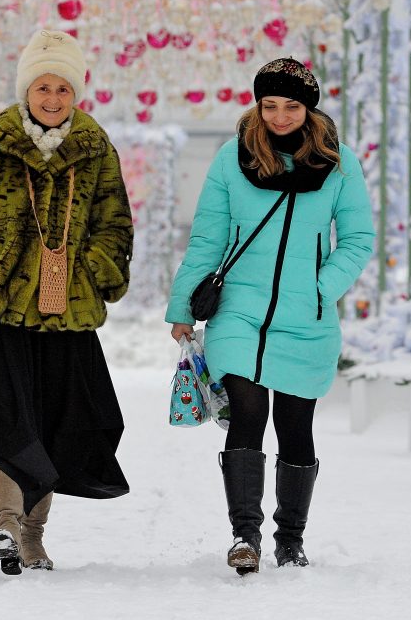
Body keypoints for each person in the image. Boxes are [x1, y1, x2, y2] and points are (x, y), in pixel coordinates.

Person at [0, 29, 133, 576]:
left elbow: (115, 225)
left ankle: (34, 538)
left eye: (62, 88)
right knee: (0, 415)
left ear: (75, 93)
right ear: (26, 89)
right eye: (42, 87)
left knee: (53, 423)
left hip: (64, 310)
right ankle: (7, 525)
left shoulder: (95, 147)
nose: (52, 98)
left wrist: (93, 274)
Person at [166, 57, 374, 575]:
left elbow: (357, 239)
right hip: (238, 311)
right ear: (258, 106)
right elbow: (207, 239)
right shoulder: (230, 160)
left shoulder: (340, 164)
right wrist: (181, 307)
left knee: (295, 422)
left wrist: (321, 288)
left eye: (291, 106)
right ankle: (245, 536)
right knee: (248, 411)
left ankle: (291, 539)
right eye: (270, 105)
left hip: (307, 316)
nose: (279, 116)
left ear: (309, 108)